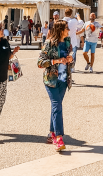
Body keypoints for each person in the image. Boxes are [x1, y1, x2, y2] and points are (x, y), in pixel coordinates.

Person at [37, 19, 73, 152]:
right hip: (51, 80)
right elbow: (40, 62)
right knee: (57, 106)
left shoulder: (67, 42)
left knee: (56, 107)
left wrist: (70, 60)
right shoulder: (49, 43)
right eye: (66, 28)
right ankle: (59, 138)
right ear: (60, 30)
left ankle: (51, 133)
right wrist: (56, 60)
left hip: (63, 79)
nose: (68, 30)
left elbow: (70, 59)